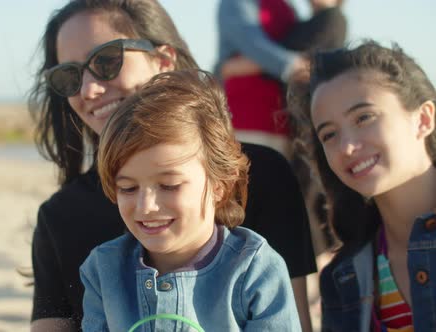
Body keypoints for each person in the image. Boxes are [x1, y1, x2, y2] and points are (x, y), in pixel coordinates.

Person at [28, 1, 316, 331]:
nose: (89, 89)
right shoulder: (60, 218)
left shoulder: (263, 175)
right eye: (70, 75)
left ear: (163, 60)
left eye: (106, 61)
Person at [79, 69, 300, 331]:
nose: (146, 206)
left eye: (169, 185)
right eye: (128, 188)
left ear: (220, 184)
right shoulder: (103, 269)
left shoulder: (255, 269)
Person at [288, 40, 436, 331]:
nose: (347, 147)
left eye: (364, 117)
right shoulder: (342, 279)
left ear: (423, 118)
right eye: (329, 134)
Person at [216, 0, 347, 155]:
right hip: (248, 115)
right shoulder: (239, 3)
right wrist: (295, 65)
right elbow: (253, 44)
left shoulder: (286, 6)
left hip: (285, 122)